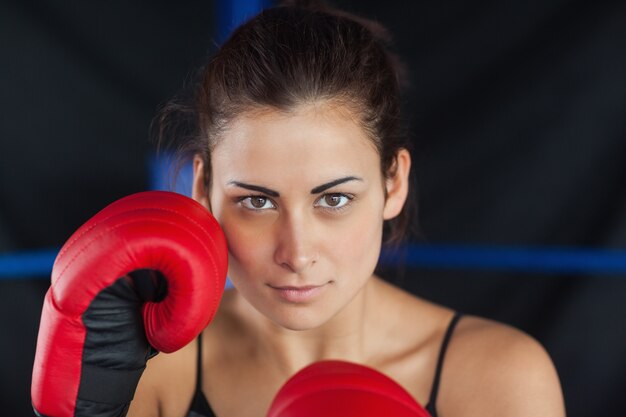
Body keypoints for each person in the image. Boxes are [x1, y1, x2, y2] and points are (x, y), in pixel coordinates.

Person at [127, 1, 563, 416]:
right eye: (257, 201)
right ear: (203, 187)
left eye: (333, 199)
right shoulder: (155, 370)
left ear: (394, 183)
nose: (296, 255)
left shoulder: (497, 377)